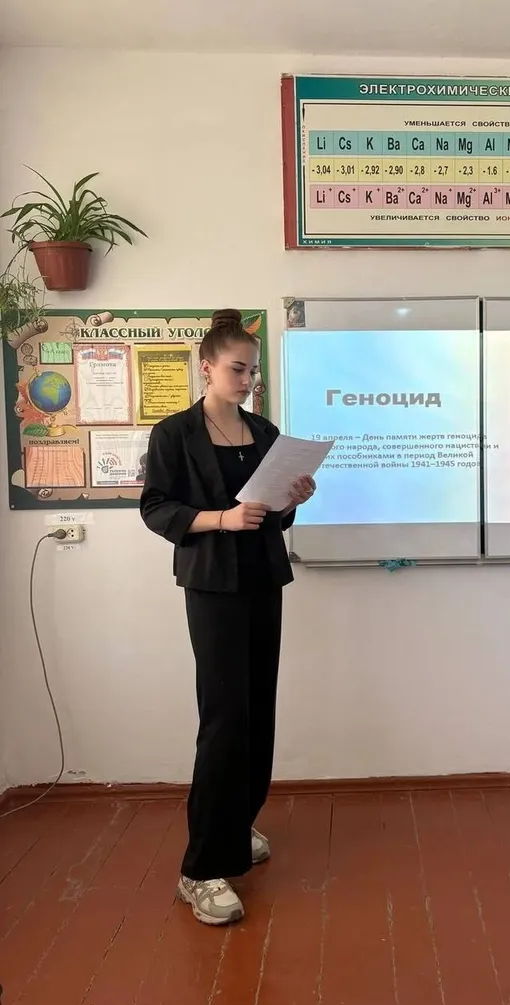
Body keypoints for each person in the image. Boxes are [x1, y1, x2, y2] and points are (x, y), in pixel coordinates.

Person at [140, 308, 315, 926]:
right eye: (238, 369)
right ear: (207, 367)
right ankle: (201, 869)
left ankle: (237, 825)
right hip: (212, 586)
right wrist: (221, 519)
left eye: (253, 371)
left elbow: (272, 515)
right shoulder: (174, 434)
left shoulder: (264, 432)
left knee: (258, 709)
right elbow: (156, 509)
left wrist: (293, 500)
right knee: (223, 719)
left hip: (264, 579)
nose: (247, 380)